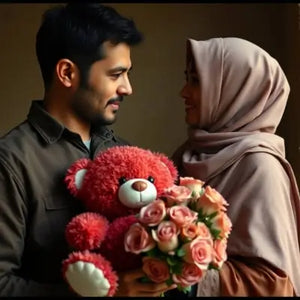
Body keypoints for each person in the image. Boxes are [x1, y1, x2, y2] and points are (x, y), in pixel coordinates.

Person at [0, 3, 176, 297]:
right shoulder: (12, 162)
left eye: (127, 74)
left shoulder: (126, 153)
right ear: (67, 73)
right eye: (115, 74)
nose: (127, 88)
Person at [171, 37, 300, 296]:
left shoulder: (260, 167)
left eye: (196, 81)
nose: (184, 92)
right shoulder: (189, 152)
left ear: (237, 91)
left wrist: (179, 275)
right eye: (188, 78)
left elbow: (274, 285)